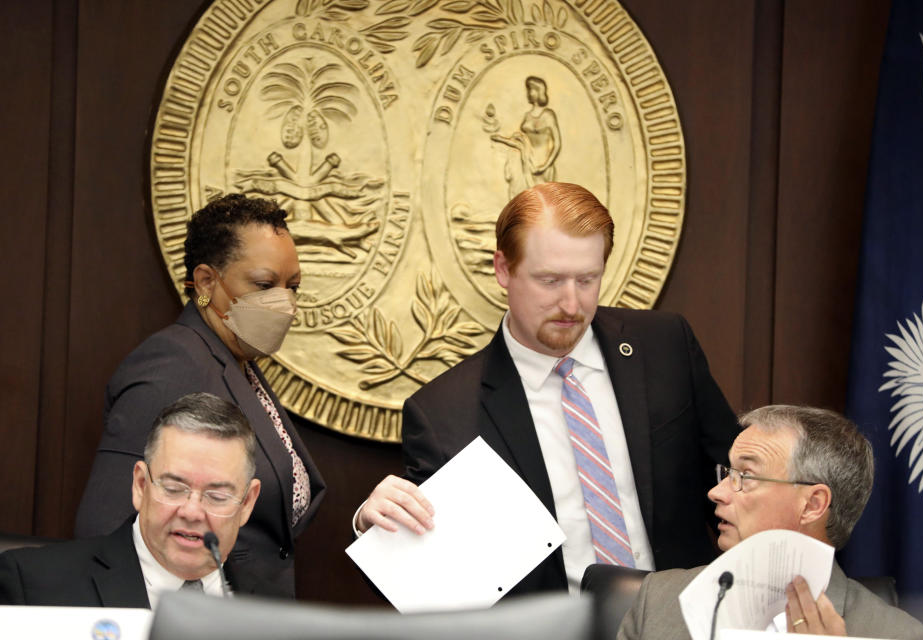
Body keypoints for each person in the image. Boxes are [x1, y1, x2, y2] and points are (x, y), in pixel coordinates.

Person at [356, 182, 740, 594]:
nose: (572, 305)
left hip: (682, 619)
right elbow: (435, 566)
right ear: (503, 269)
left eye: (587, 279)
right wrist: (372, 520)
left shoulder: (665, 346)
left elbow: (737, 479)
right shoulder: (443, 413)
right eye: (550, 280)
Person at [75, 194, 324, 598]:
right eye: (264, 284)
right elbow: (104, 530)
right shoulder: (174, 363)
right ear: (207, 281)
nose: (286, 303)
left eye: (292, 286)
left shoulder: (235, 360)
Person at [617, 405, 923, 640]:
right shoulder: (658, 602)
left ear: (812, 505)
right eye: (728, 473)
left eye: (747, 476)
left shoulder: (899, 635)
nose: (716, 492)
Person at [0, 393, 262, 608]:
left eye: (216, 497)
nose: (192, 512)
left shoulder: (272, 606)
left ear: (247, 503)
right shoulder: (32, 587)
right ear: (140, 486)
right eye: (173, 488)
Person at [491, 76, 562, 197]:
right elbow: (521, 143)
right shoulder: (527, 116)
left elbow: (557, 144)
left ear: (539, 91)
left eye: (532, 89)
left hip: (542, 166)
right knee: (525, 199)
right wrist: (501, 139)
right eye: (528, 89)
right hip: (527, 162)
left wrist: (545, 165)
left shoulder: (549, 115)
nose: (529, 93)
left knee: (543, 200)